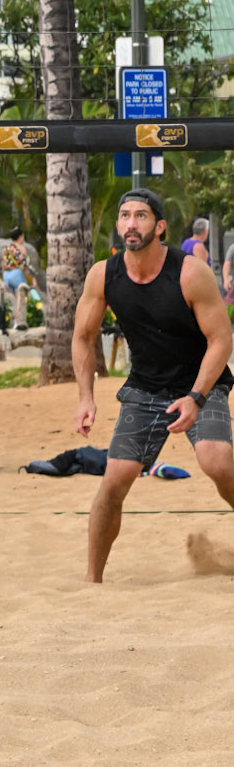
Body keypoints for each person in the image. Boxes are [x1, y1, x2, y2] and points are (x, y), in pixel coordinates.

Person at [72, 187, 234, 584]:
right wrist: (86, 397)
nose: (131, 223)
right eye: (125, 215)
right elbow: (83, 336)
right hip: (145, 388)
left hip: (201, 383)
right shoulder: (104, 275)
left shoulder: (189, 272)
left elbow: (221, 340)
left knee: (217, 462)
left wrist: (196, 397)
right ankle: (93, 581)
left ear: (159, 226)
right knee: (114, 480)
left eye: (141, 216)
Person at [0, 226, 35, 328]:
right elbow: (25, 265)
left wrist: (4, 280)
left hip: (6, 275)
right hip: (16, 274)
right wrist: (32, 278)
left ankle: (15, 322)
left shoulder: (7, 248)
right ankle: (18, 322)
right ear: (20, 236)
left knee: (15, 300)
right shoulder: (22, 248)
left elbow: (3, 264)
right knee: (20, 299)